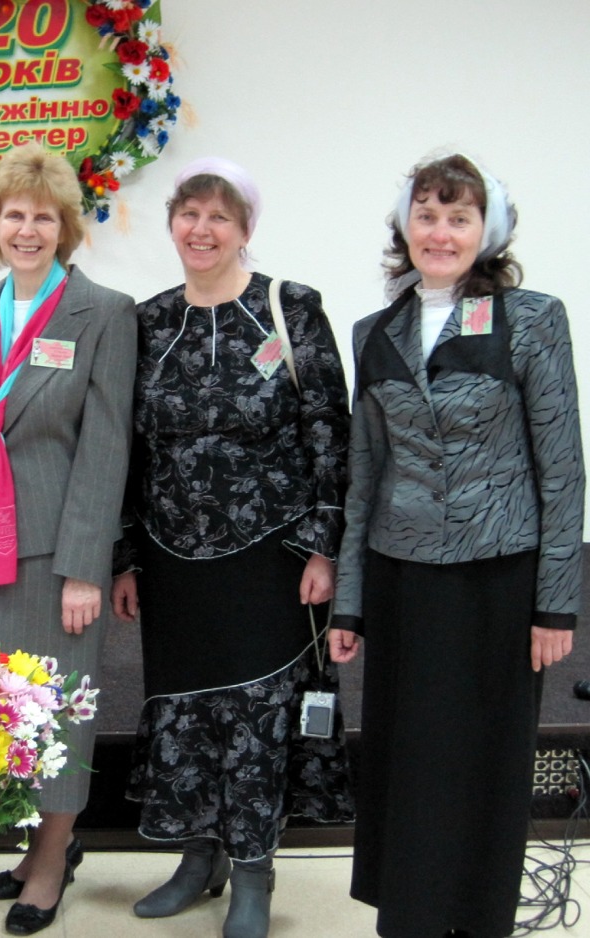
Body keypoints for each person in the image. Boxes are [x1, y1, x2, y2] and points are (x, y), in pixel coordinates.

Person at [329, 153, 584, 938]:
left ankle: (476, 920)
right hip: (403, 580)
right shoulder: (376, 333)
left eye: (459, 217)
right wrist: (350, 604)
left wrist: (556, 605)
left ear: (487, 231)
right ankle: (409, 916)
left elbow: (562, 469)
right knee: (410, 759)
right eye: (428, 216)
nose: (441, 233)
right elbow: (364, 477)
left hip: (497, 580)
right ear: (405, 227)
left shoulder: (532, 320)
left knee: (485, 759)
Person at [111, 157, 353, 938]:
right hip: (172, 557)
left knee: (257, 714)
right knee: (184, 708)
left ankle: (254, 871)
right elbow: (128, 449)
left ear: (246, 228)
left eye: (220, 215)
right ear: (172, 225)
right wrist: (125, 555)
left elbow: (329, 427)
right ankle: (198, 857)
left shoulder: (290, 308)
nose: (202, 229)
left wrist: (325, 547)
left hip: (271, 556)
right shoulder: (148, 321)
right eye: (189, 214)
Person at [0, 142, 137, 936]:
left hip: (57, 551)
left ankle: (54, 855)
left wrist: (86, 566)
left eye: (44, 218)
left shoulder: (105, 312)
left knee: (58, 705)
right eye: (15, 215)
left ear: (67, 229)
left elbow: (107, 443)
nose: (27, 230)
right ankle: (31, 843)